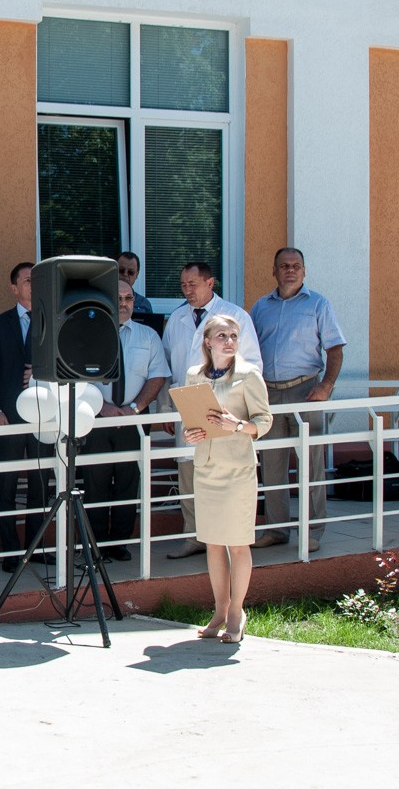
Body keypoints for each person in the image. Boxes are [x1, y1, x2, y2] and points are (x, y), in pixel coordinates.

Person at [160, 262, 262, 559]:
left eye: (192, 284)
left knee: (225, 476)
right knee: (188, 473)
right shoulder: (177, 318)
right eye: (183, 285)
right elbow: (167, 366)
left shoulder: (235, 316)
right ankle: (195, 536)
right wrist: (166, 407)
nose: (187, 290)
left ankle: (228, 539)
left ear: (210, 283)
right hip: (188, 408)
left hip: (227, 412)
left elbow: (253, 362)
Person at [182, 314, 272, 644]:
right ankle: (219, 610)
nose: (230, 341)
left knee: (238, 541)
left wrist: (239, 425)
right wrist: (189, 433)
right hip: (207, 467)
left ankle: (237, 612)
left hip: (237, 470)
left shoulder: (249, 375)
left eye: (234, 335)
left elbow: (264, 421)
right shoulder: (194, 375)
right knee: (213, 542)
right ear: (208, 341)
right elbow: (191, 419)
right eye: (222, 336)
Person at [250, 247, 346, 552]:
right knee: (272, 464)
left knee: (312, 462)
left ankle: (313, 530)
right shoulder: (260, 307)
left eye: (296, 265)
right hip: (269, 393)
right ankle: (276, 529)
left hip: (306, 390)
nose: (290, 270)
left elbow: (335, 349)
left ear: (304, 271)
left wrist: (326, 386)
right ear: (274, 271)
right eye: (284, 266)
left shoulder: (318, 303)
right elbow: (249, 350)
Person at [80, 280, 169, 561]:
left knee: (128, 481)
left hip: (134, 420)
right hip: (96, 419)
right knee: (95, 482)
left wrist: (134, 408)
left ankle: (119, 543)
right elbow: (78, 377)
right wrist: (103, 407)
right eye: (117, 298)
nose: (123, 303)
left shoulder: (148, 336)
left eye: (128, 298)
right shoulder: (89, 334)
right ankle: (96, 544)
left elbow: (158, 375)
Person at [0, 262, 55, 572]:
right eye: (27, 280)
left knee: (41, 483)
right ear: (15, 288)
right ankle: (11, 552)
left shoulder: (52, 321)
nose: (33, 285)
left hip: (44, 415)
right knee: (7, 484)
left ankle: (36, 548)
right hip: (9, 418)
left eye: (37, 279)